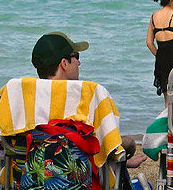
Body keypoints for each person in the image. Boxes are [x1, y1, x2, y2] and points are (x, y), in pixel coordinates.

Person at [31, 31, 145, 167]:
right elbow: (108, 143)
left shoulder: (22, 95)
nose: (79, 63)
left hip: (27, 175)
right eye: (76, 57)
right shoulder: (90, 94)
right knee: (126, 142)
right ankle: (122, 166)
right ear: (64, 63)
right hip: (80, 179)